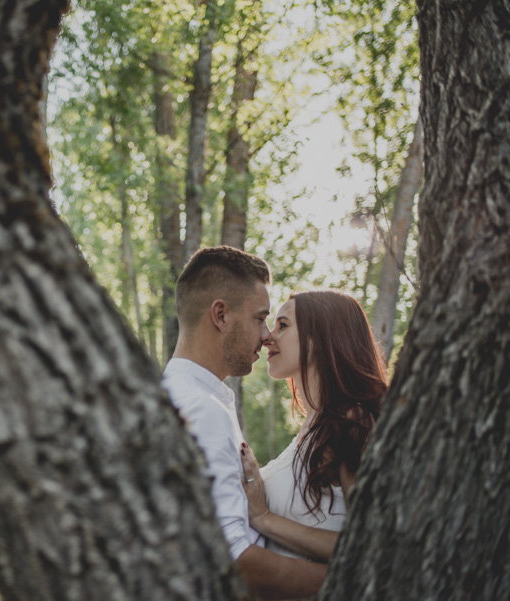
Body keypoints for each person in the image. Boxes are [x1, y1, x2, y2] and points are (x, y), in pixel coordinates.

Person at [163, 246, 326, 600]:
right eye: (259, 318)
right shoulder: (199, 409)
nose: (267, 335)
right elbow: (232, 560)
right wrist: (355, 583)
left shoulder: (185, 398)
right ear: (220, 315)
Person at [240, 290, 386, 562]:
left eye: (283, 325)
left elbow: (367, 545)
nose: (267, 336)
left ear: (321, 338)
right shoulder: (314, 424)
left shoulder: (353, 420)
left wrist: (264, 518)